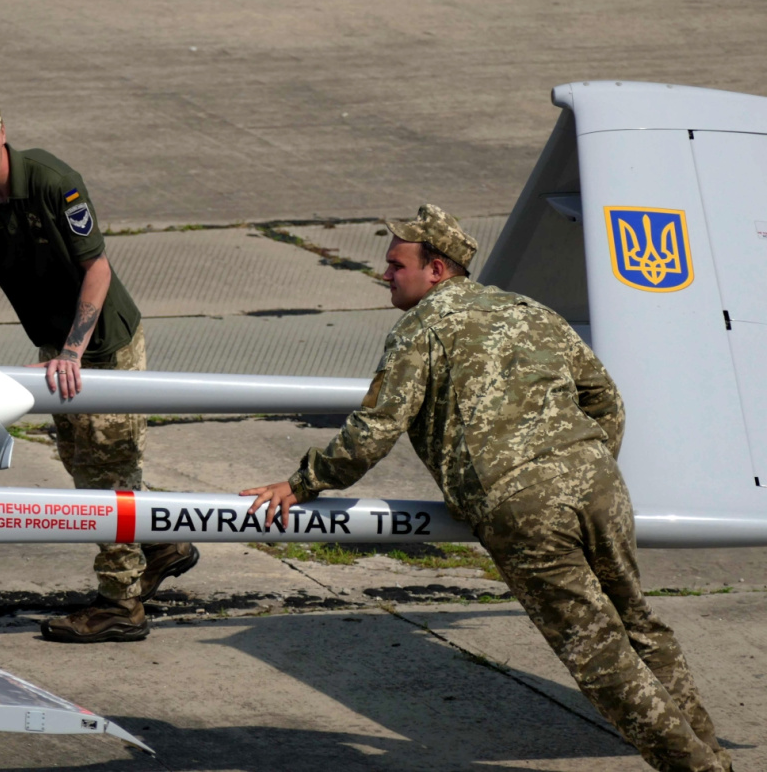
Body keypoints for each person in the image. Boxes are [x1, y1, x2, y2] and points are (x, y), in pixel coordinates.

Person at [241, 204, 732, 772]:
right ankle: (712, 754)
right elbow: (605, 398)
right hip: (598, 486)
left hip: (522, 506)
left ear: (437, 270)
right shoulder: (529, 311)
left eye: (397, 265)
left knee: (599, 654)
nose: (385, 274)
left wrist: (305, 482)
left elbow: (375, 428)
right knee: (639, 626)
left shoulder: (421, 329)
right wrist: (585, 462)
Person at [0, 87, 198, 643]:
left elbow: (97, 268)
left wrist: (73, 351)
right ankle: (161, 542)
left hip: (104, 344)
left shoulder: (53, 181)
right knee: (85, 465)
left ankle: (121, 606)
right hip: (57, 348)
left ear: (4, 132)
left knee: (105, 478)